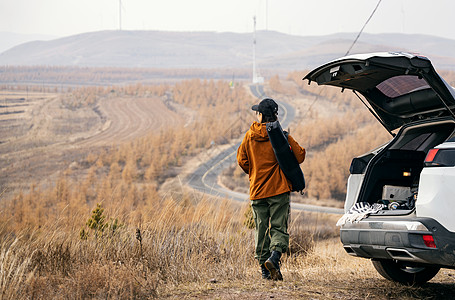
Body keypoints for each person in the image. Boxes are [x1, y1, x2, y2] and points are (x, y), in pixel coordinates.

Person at [237, 98, 306, 281]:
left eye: (257, 112)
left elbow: (242, 161)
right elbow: (300, 156)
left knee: (261, 229)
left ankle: (265, 271)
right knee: (278, 227)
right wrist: (287, 137)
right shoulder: (279, 135)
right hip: (278, 190)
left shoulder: (249, 135)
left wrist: (254, 172)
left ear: (260, 115)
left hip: (257, 191)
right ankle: (274, 258)